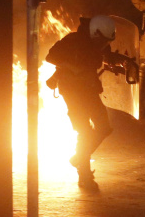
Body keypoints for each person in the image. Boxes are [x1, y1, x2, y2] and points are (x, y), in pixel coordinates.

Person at [45, 15, 117, 188]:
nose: (104, 44)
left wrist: (119, 62)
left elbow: (105, 57)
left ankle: (78, 157)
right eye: (103, 40)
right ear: (95, 33)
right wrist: (71, 67)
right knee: (84, 131)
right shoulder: (73, 40)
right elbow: (51, 56)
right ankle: (84, 176)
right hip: (72, 90)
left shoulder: (99, 43)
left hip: (89, 88)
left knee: (104, 128)